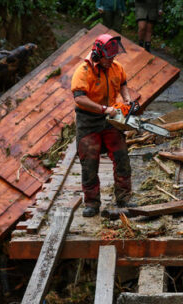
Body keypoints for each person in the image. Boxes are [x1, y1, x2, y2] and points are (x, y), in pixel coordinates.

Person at [70, 34, 141, 217]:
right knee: (89, 162)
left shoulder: (117, 68)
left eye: (113, 57)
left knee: (121, 156)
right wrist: (102, 109)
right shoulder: (83, 71)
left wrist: (127, 100)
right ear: (97, 54)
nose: (111, 61)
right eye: (108, 58)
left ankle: (124, 197)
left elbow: (123, 83)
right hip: (89, 121)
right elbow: (79, 98)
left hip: (110, 120)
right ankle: (92, 203)